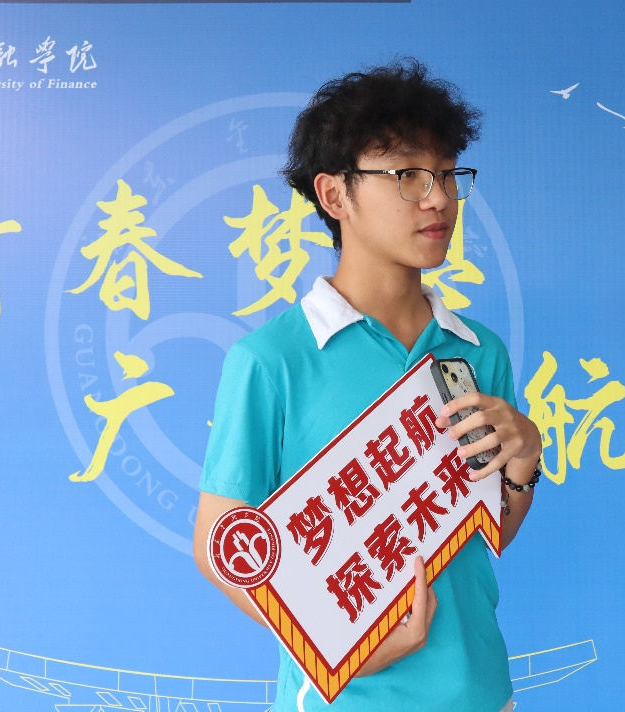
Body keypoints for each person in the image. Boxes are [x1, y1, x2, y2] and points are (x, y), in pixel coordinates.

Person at [193, 60, 542, 712]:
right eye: (408, 176)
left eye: (447, 174)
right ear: (334, 196)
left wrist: (524, 462)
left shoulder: (476, 351)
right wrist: (329, 646)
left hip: (481, 692)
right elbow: (221, 546)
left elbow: (484, 529)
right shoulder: (272, 361)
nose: (438, 199)